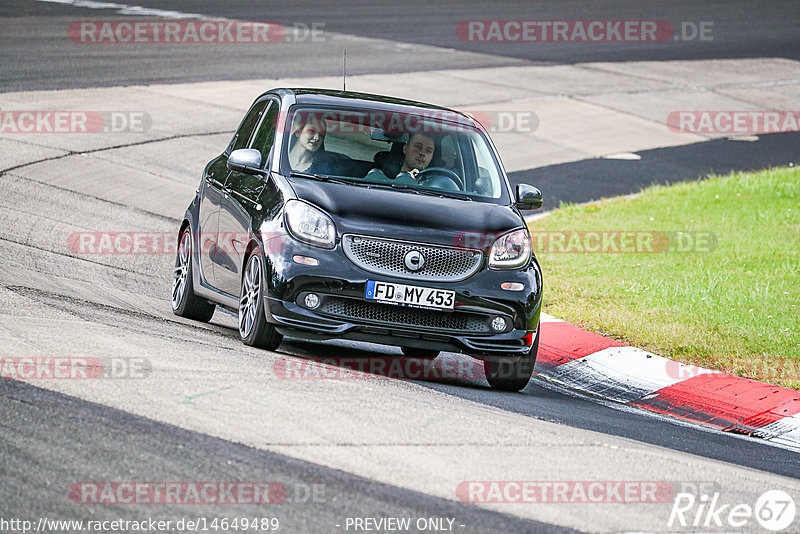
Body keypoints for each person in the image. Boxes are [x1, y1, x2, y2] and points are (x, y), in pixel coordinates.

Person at [365, 132, 435, 183]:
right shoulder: (380, 179)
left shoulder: (435, 187)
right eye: (418, 147)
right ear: (405, 149)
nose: (422, 153)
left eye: (428, 151)